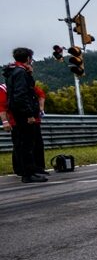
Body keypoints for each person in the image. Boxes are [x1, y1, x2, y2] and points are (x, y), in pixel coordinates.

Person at [2, 48, 48, 183]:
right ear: (28, 58)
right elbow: (22, 95)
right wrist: (29, 114)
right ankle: (28, 174)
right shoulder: (20, 73)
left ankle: (30, 170)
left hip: (18, 112)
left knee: (26, 143)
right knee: (27, 144)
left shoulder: (12, 72)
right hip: (23, 113)